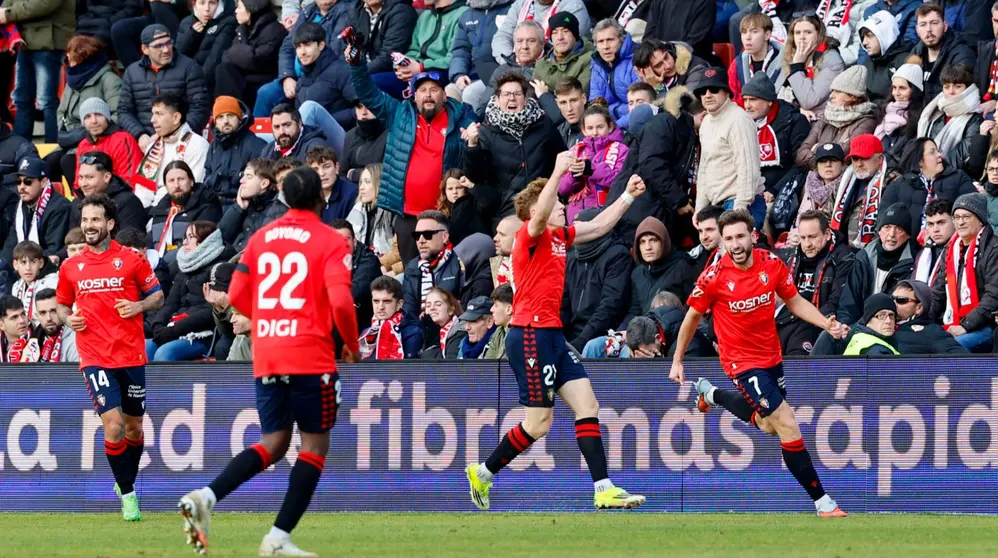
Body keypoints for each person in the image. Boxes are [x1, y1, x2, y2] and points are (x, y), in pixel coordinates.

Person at [179, 166, 359, 556]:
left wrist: (269, 319)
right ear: (321, 198)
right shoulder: (329, 240)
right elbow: (342, 301)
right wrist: (350, 344)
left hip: (269, 353)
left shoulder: (262, 237)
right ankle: (277, 538)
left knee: (274, 442)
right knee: (314, 447)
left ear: (285, 198)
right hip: (310, 354)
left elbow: (236, 295)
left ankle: (206, 497)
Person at [465, 153, 648, 512]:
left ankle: (603, 489)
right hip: (529, 334)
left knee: (588, 405)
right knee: (538, 425)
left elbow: (598, 227)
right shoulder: (528, 236)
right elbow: (538, 217)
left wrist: (627, 196)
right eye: (557, 203)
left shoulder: (559, 237)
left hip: (551, 334)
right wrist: (558, 170)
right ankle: (483, 472)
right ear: (538, 210)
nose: (563, 207)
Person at [670, 208, 849, 518]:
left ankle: (712, 395)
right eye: (728, 239)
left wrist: (825, 324)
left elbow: (794, 301)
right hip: (740, 362)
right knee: (787, 422)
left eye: (740, 236)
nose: (735, 244)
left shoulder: (772, 263)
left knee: (769, 425)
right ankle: (823, 502)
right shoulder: (713, 277)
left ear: (752, 236)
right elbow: (692, 318)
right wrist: (677, 360)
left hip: (771, 355)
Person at [56, 193, 165, 521]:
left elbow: (158, 296)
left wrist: (138, 305)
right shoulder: (71, 267)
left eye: (95, 220)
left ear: (110, 223)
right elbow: (62, 305)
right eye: (85, 220)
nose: (89, 226)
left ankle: (124, 480)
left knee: (134, 428)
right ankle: (129, 496)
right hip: (94, 357)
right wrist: (68, 319)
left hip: (131, 355)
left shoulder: (131, 259)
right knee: (114, 425)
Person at [346, 45, 475, 263]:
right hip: (407, 215)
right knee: (411, 273)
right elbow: (368, 93)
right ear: (414, 96)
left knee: (443, 273)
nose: (428, 95)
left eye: (434, 90)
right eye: (422, 90)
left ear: (444, 95)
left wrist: (472, 140)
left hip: (444, 215)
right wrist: (356, 64)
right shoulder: (399, 114)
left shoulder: (462, 118)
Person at [605, 84, 698, 243]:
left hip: (643, 209)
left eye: (639, 102)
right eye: (631, 102)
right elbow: (653, 166)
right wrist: (678, 200)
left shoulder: (665, 126)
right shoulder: (661, 123)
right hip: (639, 212)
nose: (635, 107)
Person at [464, 72, 564, 219]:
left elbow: (561, 157)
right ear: (497, 99)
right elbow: (476, 176)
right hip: (507, 210)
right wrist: (472, 146)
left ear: (525, 98)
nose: (512, 98)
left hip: (544, 205)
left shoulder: (543, 124)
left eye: (517, 93)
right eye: (506, 94)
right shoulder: (486, 131)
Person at [693, 67, 766, 230]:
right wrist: (699, 209)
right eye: (703, 91)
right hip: (717, 206)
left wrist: (739, 209)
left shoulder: (739, 119)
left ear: (726, 92)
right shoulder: (706, 122)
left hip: (742, 204)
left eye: (714, 89)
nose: (707, 95)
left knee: (739, 247)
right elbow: (704, 168)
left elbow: (748, 168)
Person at [147, 223, 231, 361]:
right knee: (145, 347)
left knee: (164, 354)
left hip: (204, 335)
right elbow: (171, 304)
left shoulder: (220, 269)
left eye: (190, 237)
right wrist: (157, 325)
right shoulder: (184, 267)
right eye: (185, 237)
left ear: (205, 241)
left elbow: (210, 313)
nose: (184, 242)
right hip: (175, 328)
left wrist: (174, 331)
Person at [254, 0, 352, 117]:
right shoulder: (308, 11)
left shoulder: (346, 11)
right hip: (296, 77)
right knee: (266, 93)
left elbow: (335, 51)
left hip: (320, 77)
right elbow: (287, 46)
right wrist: (287, 77)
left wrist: (305, 80)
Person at [118, 24, 210, 149]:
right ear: (145, 49)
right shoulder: (132, 72)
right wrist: (140, 135)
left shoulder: (190, 67)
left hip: (180, 141)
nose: (166, 50)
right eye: (158, 46)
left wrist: (179, 133)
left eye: (168, 43)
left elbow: (200, 108)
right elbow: (124, 111)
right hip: (145, 142)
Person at [777, 211, 853, 355]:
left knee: (796, 357)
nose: (807, 244)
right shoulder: (791, 256)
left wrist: (811, 318)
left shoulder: (843, 258)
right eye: (803, 238)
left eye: (812, 237)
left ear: (827, 234)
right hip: (788, 320)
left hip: (820, 323)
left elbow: (836, 303)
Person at [54, 36, 125, 189]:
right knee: (48, 162)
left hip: (97, 138)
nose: (68, 58)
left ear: (83, 58)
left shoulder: (109, 80)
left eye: (71, 55)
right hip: (72, 139)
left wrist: (89, 131)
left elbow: (118, 114)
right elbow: (61, 112)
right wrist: (68, 133)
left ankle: (82, 198)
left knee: (67, 161)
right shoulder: (72, 81)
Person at [931, 193, 998, 352]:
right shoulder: (950, 250)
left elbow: (993, 297)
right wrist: (922, 320)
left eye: (966, 217)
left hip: (986, 326)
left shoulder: (994, 249)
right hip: (954, 323)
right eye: (956, 217)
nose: (960, 222)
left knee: (950, 349)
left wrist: (965, 326)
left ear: (980, 219)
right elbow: (938, 292)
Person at [561, 208, 632, 352]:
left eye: (579, 228)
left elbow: (610, 306)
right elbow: (563, 304)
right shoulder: (571, 258)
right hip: (572, 334)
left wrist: (581, 341)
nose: (575, 232)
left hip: (603, 335)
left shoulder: (618, 255)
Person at [3, 0, 75, 143]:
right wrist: (5, 10)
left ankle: (53, 148)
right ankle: (19, 148)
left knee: (46, 101)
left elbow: (43, 5)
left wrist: (7, 13)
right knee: (22, 99)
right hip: (25, 42)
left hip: (48, 42)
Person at [371, 0, 469, 99]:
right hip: (415, 72)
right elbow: (413, 50)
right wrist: (403, 66)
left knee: (424, 88)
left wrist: (421, 67)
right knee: (372, 82)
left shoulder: (464, 14)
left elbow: (456, 58)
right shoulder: (425, 16)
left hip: (442, 72)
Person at [837, 202, 915, 325]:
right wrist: (845, 326)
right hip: (859, 325)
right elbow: (848, 303)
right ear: (879, 231)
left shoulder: (913, 264)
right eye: (887, 227)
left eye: (899, 229)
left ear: (908, 235)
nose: (892, 234)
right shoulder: (863, 258)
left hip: (891, 326)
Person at [881, 138, 976, 240]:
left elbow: (972, 209)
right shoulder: (899, 185)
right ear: (920, 161)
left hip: (951, 242)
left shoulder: (958, 178)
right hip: (909, 245)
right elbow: (883, 219)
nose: (939, 155)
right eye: (932, 152)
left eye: (938, 151)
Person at [133, 92, 211, 207]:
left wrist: (157, 210)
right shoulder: (152, 146)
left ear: (176, 118)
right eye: (153, 114)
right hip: (150, 210)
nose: (152, 120)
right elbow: (142, 191)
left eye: (159, 114)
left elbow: (192, 188)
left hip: (182, 209)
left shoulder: (197, 145)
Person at [740, 72, 811, 199]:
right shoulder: (744, 123)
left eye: (753, 99)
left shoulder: (794, 121)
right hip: (749, 190)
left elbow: (801, 165)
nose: (747, 106)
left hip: (781, 193)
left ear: (769, 101)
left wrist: (774, 191)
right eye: (745, 100)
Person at [558, 101, 628, 223]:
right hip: (576, 220)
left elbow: (621, 182)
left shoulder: (622, 150)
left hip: (608, 218)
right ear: (583, 130)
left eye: (600, 127)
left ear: (610, 126)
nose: (595, 132)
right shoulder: (575, 151)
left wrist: (592, 169)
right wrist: (574, 176)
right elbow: (562, 189)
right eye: (590, 128)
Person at [624, 216, 697, 326]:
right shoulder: (637, 273)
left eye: (653, 240)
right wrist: (621, 332)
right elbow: (635, 311)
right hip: (645, 331)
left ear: (664, 242)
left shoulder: (682, 267)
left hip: (676, 329)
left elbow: (694, 308)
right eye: (642, 242)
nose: (648, 247)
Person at [214, 0, 286, 107]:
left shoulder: (275, 30)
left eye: (239, 7)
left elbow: (254, 60)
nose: (236, 11)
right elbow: (225, 57)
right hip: (246, 79)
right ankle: (227, 111)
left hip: (263, 83)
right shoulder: (243, 29)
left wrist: (232, 53)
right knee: (223, 69)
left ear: (250, 10)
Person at [147, 161, 224, 261]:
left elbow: (199, 246)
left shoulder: (206, 207)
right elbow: (150, 244)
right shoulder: (159, 211)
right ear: (165, 186)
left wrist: (164, 262)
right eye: (171, 181)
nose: (176, 185)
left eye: (181, 179)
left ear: (191, 181)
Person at [2, 157, 72, 266]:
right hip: (24, 265)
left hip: (46, 267)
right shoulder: (21, 205)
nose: (21, 187)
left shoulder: (59, 207)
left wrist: (22, 264)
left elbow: (53, 249)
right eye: (18, 182)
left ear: (43, 182)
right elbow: (11, 244)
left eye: (28, 182)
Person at [446, 0, 513, 111]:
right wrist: (459, 74)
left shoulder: (512, 8)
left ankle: (474, 123)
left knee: (471, 93)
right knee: (450, 91)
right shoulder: (467, 15)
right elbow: (460, 49)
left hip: (497, 75)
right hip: (471, 75)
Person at [774, 15, 845, 116]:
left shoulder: (832, 60)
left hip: (820, 118)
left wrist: (797, 66)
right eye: (797, 33)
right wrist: (796, 109)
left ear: (819, 34)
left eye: (808, 32)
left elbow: (809, 101)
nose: (802, 37)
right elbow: (775, 95)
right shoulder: (790, 54)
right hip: (792, 115)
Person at [204, 96, 268, 209]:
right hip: (213, 204)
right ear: (215, 122)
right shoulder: (213, 145)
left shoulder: (258, 145)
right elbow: (207, 177)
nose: (226, 121)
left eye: (230, 115)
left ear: (240, 118)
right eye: (220, 117)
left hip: (244, 206)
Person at [402, 210, 465, 324]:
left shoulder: (459, 262)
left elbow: (463, 309)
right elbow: (409, 313)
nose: (421, 241)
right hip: (420, 328)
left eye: (427, 234)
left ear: (444, 237)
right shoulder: (412, 267)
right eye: (417, 236)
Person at [917, 64, 983, 171]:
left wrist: (933, 169)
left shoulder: (974, 120)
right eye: (946, 87)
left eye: (957, 86)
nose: (951, 91)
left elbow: (961, 156)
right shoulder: (936, 110)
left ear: (968, 89)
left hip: (950, 174)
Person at [829, 134, 890, 249]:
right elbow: (827, 215)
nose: (859, 164)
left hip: (871, 251)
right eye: (855, 158)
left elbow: (888, 227)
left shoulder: (891, 182)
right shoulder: (844, 181)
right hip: (838, 249)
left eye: (865, 158)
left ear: (880, 159)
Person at [491, 0, 591, 66]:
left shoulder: (573, 5)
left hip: (556, 69)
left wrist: (533, 66)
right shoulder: (521, 3)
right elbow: (503, 36)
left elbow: (563, 45)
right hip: (516, 65)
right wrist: (511, 62)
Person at [74, 98, 143, 190]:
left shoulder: (123, 140)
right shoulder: (83, 145)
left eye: (98, 114)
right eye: (88, 117)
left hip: (118, 196)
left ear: (107, 118)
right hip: (89, 197)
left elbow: (130, 182)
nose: (94, 121)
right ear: (83, 123)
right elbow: (78, 183)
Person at [911, 2, 975, 101]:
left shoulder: (962, 54)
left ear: (945, 26)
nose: (928, 29)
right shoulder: (915, 53)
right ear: (917, 30)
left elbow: (959, 98)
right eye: (923, 25)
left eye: (934, 23)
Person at [70, 152, 148, 233]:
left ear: (106, 177)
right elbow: (72, 238)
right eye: (81, 177)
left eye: (90, 177)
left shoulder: (128, 202)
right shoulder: (77, 203)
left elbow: (131, 239)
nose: (83, 184)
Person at [176, 0, 237, 96]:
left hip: (207, 84)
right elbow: (178, 55)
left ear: (219, 4)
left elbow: (215, 58)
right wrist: (193, 35)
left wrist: (196, 83)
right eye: (202, 3)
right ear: (194, 4)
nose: (207, 8)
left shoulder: (227, 23)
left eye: (212, 3)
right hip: (185, 79)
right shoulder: (186, 22)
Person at [218, 158, 280, 252]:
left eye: (249, 177)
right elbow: (220, 238)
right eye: (243, 175)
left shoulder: (275, 209)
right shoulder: (246, 205)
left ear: (264, 184)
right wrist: (238, 208)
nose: (241, 181)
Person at [892, 279, 967, 354]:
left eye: (901, 300)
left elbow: (963, 358)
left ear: (919, 307)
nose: (893, 304)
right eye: (892, 299)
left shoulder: (932, 333)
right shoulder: (886, 325)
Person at [330, 219, 381, 326]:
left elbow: (354, 292)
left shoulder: (369, 261)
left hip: (363, 318)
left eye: (346, 239)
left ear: (354, 241)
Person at [589, 19, 638, 127]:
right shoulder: (597, 64)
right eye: (601, 41)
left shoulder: (636, 60)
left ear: (621, 40)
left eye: (610, 40)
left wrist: (615, 127)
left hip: (634, 124)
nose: (605, 46)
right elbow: (595, 105)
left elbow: (641, 107)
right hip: (609, 124)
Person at [351, 0, 419, 78]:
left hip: (392, 72)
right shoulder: (357, 9)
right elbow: (347, 48)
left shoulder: (401, 11)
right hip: (366, 68)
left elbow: (388, 57)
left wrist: (356, 73)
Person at [360, 275, 421, 359]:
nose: (380, 307)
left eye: (386, 301)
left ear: (399, 304)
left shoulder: (413, 333)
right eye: (376, 301)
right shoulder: (366, 333)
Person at [859, 10, 913, 105]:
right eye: (863, 37)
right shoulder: (867, 63)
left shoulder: (905, 62)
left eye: (869, 36)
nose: (864, 42)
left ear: (885, 35)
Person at [874, 63, 925, 163]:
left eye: (902, 88)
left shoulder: (919, 120)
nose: (896, 93)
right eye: (894, 87)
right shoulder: (884, 111)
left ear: (914, 90)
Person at [728, 12, 782, 106]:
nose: (747, 37)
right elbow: (734, 100)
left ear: (767, 35)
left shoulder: (785, 62)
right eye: (744, 32)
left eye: (754, 32)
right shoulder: (737, 64)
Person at [532, 12, 595, 92]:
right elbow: (532, 94)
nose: (560, 37)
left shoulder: (590, 59)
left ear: (575, 35)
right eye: (555, 32)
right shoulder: (541, 64)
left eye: (565, 31)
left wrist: (544, 96)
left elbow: (576, 95)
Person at [347, 164, 395, 259]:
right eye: (361, 182)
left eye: (367, 182)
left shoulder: (391, 214)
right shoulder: (358, 211)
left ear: (381, 184)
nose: (361, 187)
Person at [632, 39, 708, 97]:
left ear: (668, 51)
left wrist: (658, 87)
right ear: (648, 71)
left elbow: (682, 107)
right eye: (659, 65)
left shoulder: (696, 68)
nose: (668, 65)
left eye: (666, 57)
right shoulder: (649, 79)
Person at [642, 0, 714, 62]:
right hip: (657, 61)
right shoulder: (657, 1)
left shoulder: (705, 3)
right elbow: (648, 40)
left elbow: (693, 45)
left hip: (692, 64)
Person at [10, 241, 60, 322]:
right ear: (15, 264)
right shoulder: (16, 286)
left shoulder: (52, 283)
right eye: (23, 262)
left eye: (33, 262)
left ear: (41, 263)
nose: (28, 268)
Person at [261, 103, 329, 162]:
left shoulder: (315, 146)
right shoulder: (267, 150)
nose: (282, 132)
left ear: (299, 123)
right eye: (277, 127)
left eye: (287, 125)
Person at [340, 102, 387, 182]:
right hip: (353, 188)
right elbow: (342, 174)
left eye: (369, 106)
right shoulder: (350, 135)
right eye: (359, 107)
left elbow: (389, 173)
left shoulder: (391, 135)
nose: (364, 112)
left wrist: (355, 174)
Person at [914, 198, 956, 285]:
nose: (935, 229)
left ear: (954, 221)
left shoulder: (962, 251)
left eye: (941, 223)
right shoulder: (922, 254)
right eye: (931, 224)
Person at [537, 76, 586, 147]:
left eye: (573, 101)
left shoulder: (596, 130)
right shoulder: (558, 133)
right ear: (557, 104)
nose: (569, 108)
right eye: (563, 103)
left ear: (584, 99)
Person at [419, 286, 467, 359]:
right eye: (428, 306)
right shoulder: (425, 333)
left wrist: (433, 345)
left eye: (438, 304)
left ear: (450, 310)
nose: (432, 308)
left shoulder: (460, 333)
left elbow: (446, 365)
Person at [34, 288, 80, 362]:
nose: (48, 318)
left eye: (53, 311)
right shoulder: (32, 339)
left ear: (62, 311)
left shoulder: (76, 339)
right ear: (37, 316)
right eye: (43, 313)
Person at [0, 296, 38, 362]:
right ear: (1, 325)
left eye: (23, 314)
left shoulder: (39, 339)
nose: (22, 321)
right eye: (14, 317)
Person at [689, 204, 724, 273]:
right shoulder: (693, 259)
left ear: (724, 228)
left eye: (709, 230)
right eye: (700, 231)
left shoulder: (736, 258)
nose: (703, 237)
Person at [490, 215, 520, 286]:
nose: (495, 238)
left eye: (502, 235)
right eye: (497, 233)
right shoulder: (497, 263)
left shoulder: (533, 271)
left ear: (518, 237)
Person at [485, 283, 512, 358]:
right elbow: (487, 362)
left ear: (509, 309)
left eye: (496, 305)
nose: (491, 309)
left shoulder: (518, 335)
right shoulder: (498, 332)